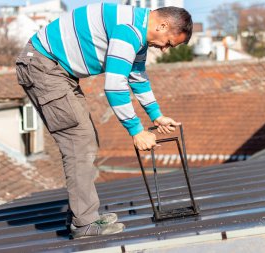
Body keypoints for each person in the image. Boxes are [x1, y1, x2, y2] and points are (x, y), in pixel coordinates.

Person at [15, 3, 192, 239]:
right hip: (42, 67)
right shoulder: (128, 31)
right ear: (162, 25)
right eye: (169, 42)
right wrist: (136, 131)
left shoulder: (138, 32)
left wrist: (156, 115)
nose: (164, 49)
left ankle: (82, 214)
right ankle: (85, 223)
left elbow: (137, 77)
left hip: (58, 71)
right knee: (79, 140)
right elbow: (114, 85)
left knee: (86, 139)